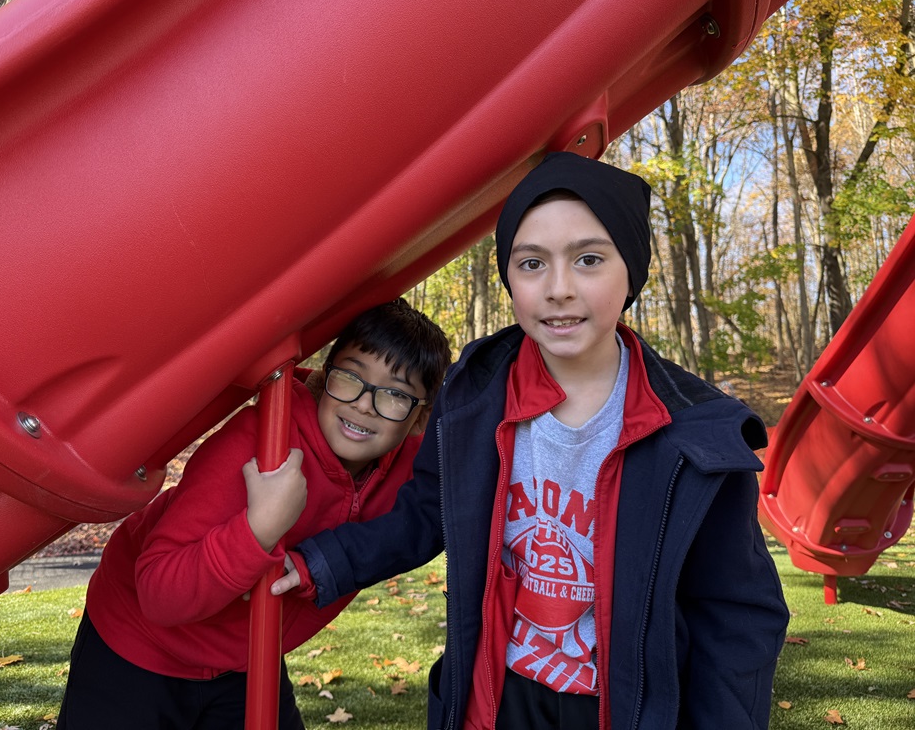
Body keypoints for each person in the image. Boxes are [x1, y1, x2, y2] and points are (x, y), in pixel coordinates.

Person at [275, 152, 790, 729]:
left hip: (620, 707)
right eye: (532, 264)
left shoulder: (697, 436)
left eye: (589, 260)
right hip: (500, 695)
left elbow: (737, 615)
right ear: (510, 279)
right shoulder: (476, 396)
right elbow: (427, 512)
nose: (559, 289)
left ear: (632, 274)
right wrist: (324, 562)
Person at [57, 298, 451, 729]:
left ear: (419, 418)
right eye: (351, 376)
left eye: (394, 394)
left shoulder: (418, 473)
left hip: (247, 659)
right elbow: (157, 591)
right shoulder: (257, 444)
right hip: (138, 648)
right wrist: (257, 531)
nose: (362, 404)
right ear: (323, 377)